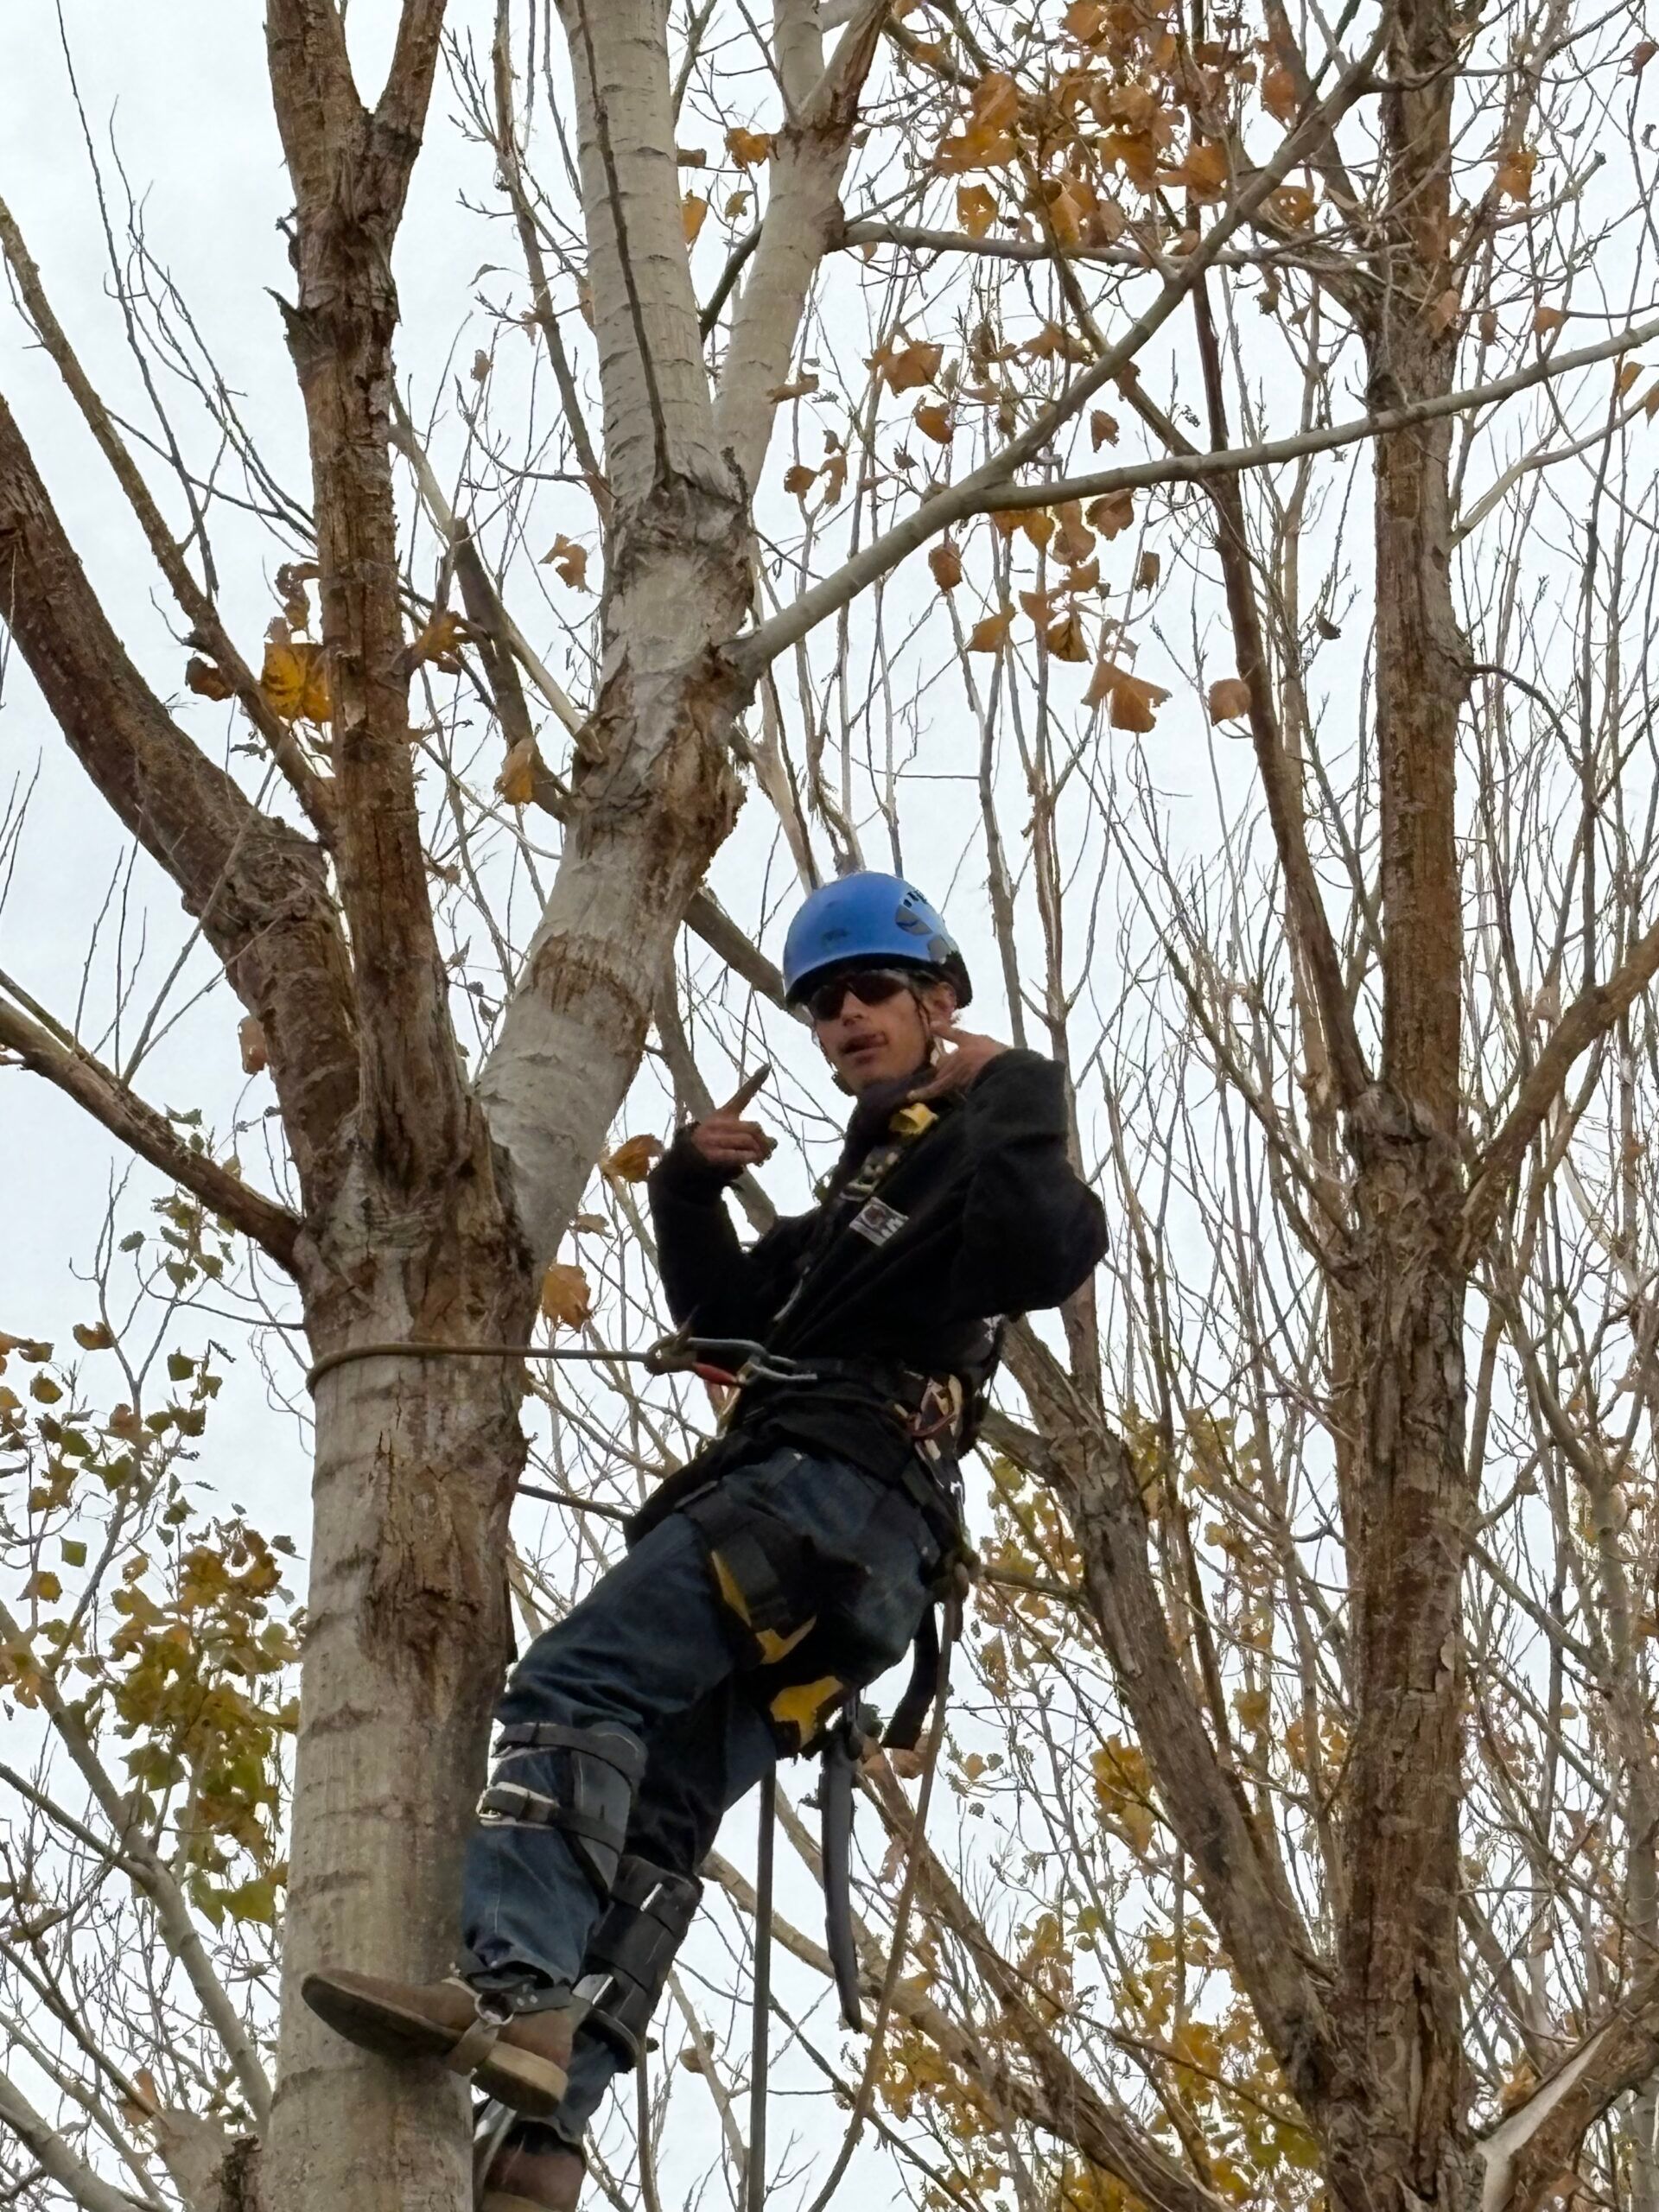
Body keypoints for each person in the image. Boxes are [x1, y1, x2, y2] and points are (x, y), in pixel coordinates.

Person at [302, 872, 1108, 2210]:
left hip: (822, 1500)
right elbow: (736, 1317)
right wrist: (684, 1186)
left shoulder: (984, 1150)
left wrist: (1019, 1083)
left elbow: (1042, 1247)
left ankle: (510, 1992)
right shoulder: (870, 1191)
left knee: (576, 1685)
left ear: (938, 1000)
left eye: (871, 994)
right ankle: (549, 2141)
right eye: (823, 1004)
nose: (845, 1019)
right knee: (663, 1816)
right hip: (852, 1559)